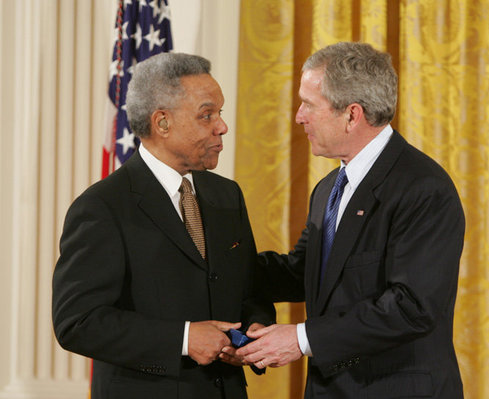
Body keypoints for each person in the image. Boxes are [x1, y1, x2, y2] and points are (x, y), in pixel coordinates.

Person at [237, 42, 465, 399]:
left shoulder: (423, 189)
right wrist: (219, 265)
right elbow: (304, 272)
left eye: (309, 105)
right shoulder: (328, 188)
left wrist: (300, 339)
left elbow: (412, 307)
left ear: (352, 115)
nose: (298, 116)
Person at [52, 52, 274, 399]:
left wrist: (255, 327)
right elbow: (78, 323)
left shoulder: (226, 194)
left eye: (220, 112)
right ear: (162, 123)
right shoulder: (103, 207)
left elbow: (248, 290)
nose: (222, 126)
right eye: (207, 115)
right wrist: (184, 339)